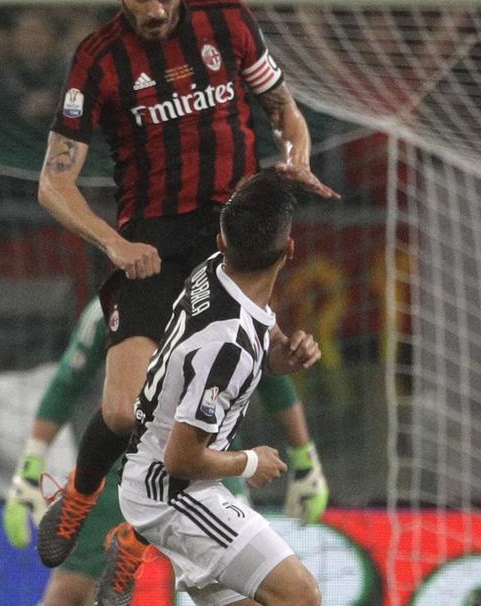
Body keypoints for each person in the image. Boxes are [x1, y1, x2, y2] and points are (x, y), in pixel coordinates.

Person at [34, 0, 336, 582]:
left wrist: (298, 157)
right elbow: (53, 184)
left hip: (229, 238)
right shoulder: (98, 59)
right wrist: (114, 242)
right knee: (123, 411)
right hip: (150, 243)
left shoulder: (227, 20)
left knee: (207, 406)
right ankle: (80, 496)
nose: (154, 9)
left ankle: (137, 536)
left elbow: (284, 112)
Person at [2, 297, 329, 605]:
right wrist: (30, 463)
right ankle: (127, 531)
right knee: (68, 593)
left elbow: (272, 376)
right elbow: (67, 384)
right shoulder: (119, 299)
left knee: (247, 595)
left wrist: (304, 458)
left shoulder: (229, 299)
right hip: (126, 466)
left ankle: (135, 537)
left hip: (208, 464)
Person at [110, 168, 322, 604]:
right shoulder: (227, 347)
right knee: (301, 595)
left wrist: (282, 352)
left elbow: (255, 332)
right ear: (290, 249)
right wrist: (251, 462)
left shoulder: (214, 270)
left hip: (163, 475)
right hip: (170, 492)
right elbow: (181, 459)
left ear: (222, 242)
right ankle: (130, 539)